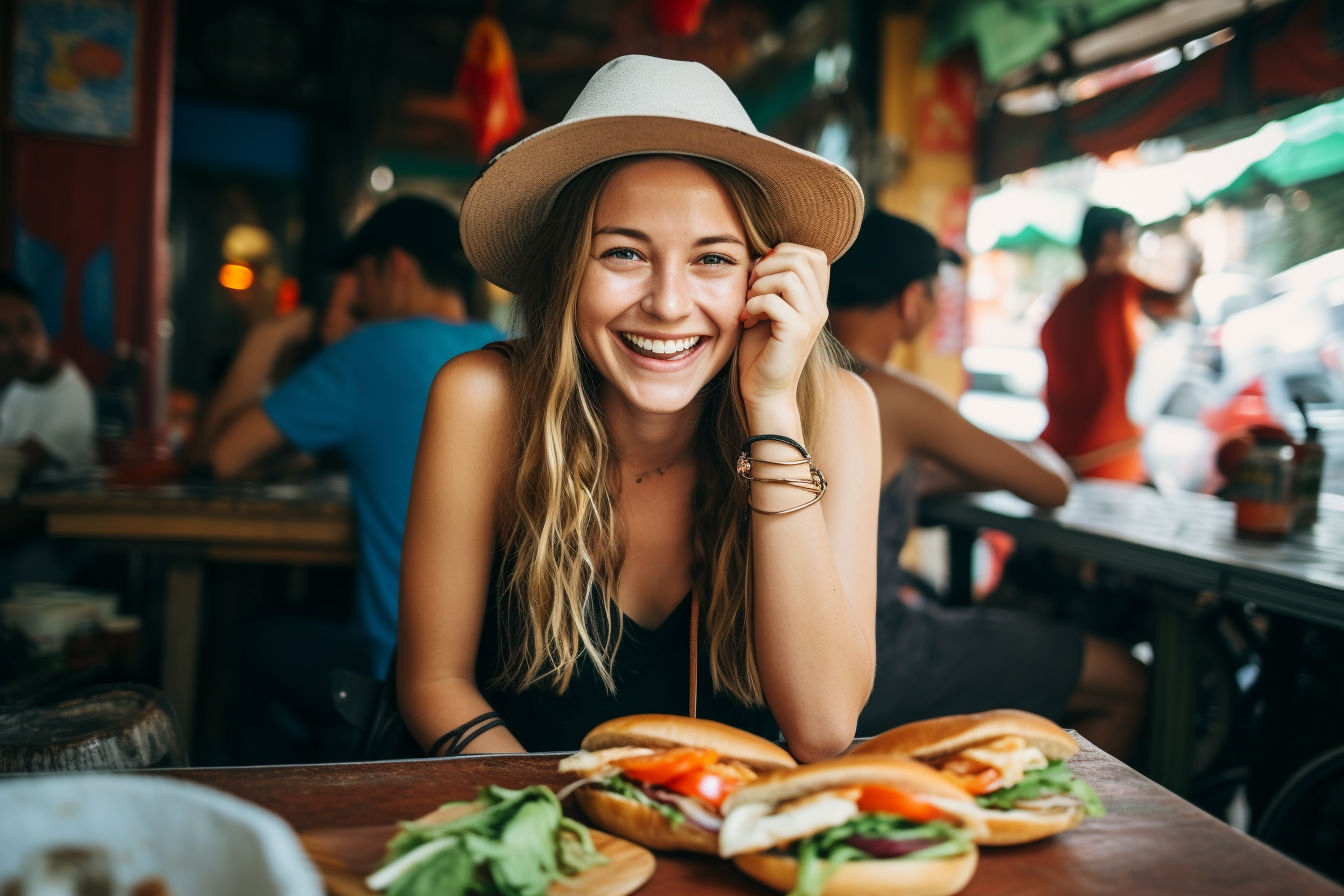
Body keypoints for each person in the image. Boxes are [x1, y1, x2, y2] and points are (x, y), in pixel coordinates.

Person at [398, 54, 881, 762]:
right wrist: (557, 831)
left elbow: (822, 727)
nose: (667, 303)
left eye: (713, 259)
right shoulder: (483, 400)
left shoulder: (833, 410)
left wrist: (772, 405)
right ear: (567, 271)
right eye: (624, 253)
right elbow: (434, 682)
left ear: (766, 273)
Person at [828, 212, 1147, 760]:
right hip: (874, 654)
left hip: (803, 652)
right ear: (910, 300)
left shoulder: (795, 378)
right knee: (1124, 681)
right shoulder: (886, 394)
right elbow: (1050, 485)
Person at [204, 196, 503, 761]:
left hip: (403, 666)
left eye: (360, 279)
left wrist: (273, 334)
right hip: (501, 674)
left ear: (395, 266)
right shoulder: (504, 351)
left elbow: (221, 457)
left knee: (248, 639)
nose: (358, 299)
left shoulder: (368, 350)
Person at [1039, 206, 1195, 482]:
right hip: (1108, 456)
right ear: (1111, 240)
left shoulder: (1062, 303)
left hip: (1058, 453)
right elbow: (1177, 305)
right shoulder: (1118, 285)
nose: (1132, 250)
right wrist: (1196, 268)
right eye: (1130, 239)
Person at [0, 272, 97, 483]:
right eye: (3, 332)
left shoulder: (70, 393)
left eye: (27, 326)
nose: (20, 343)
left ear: (44, 329)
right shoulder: (15, 384)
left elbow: (16, 464)